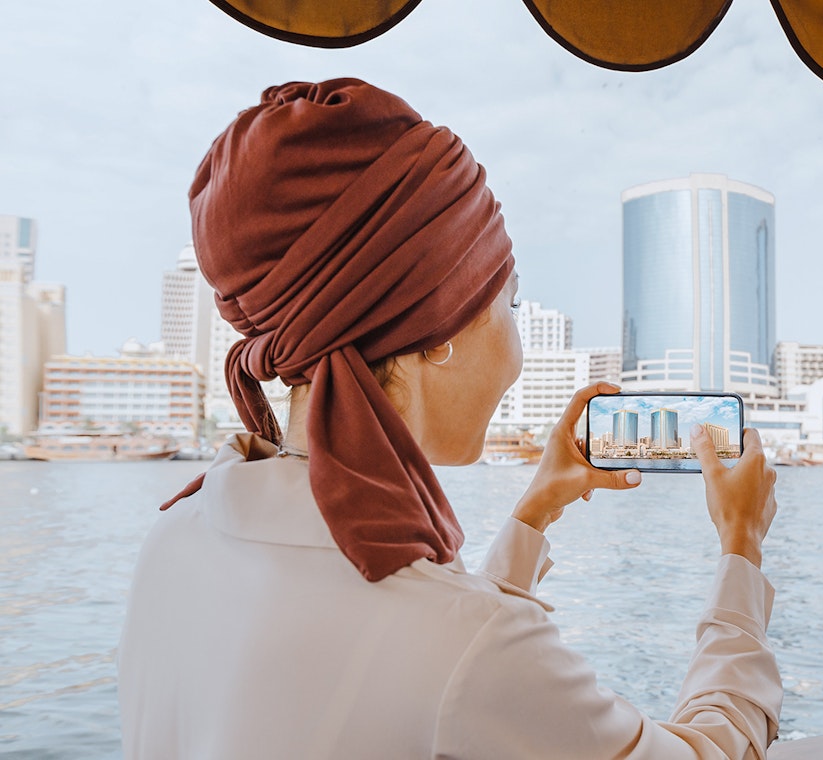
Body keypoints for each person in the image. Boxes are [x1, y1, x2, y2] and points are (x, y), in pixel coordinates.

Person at [118, 78, 781, 759]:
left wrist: (535, 511)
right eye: (510, 302)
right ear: (441, 326)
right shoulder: (463, 645)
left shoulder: (172, 541)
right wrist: (741, 547)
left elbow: (444, 670)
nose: (517, 351)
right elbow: (467, 665)